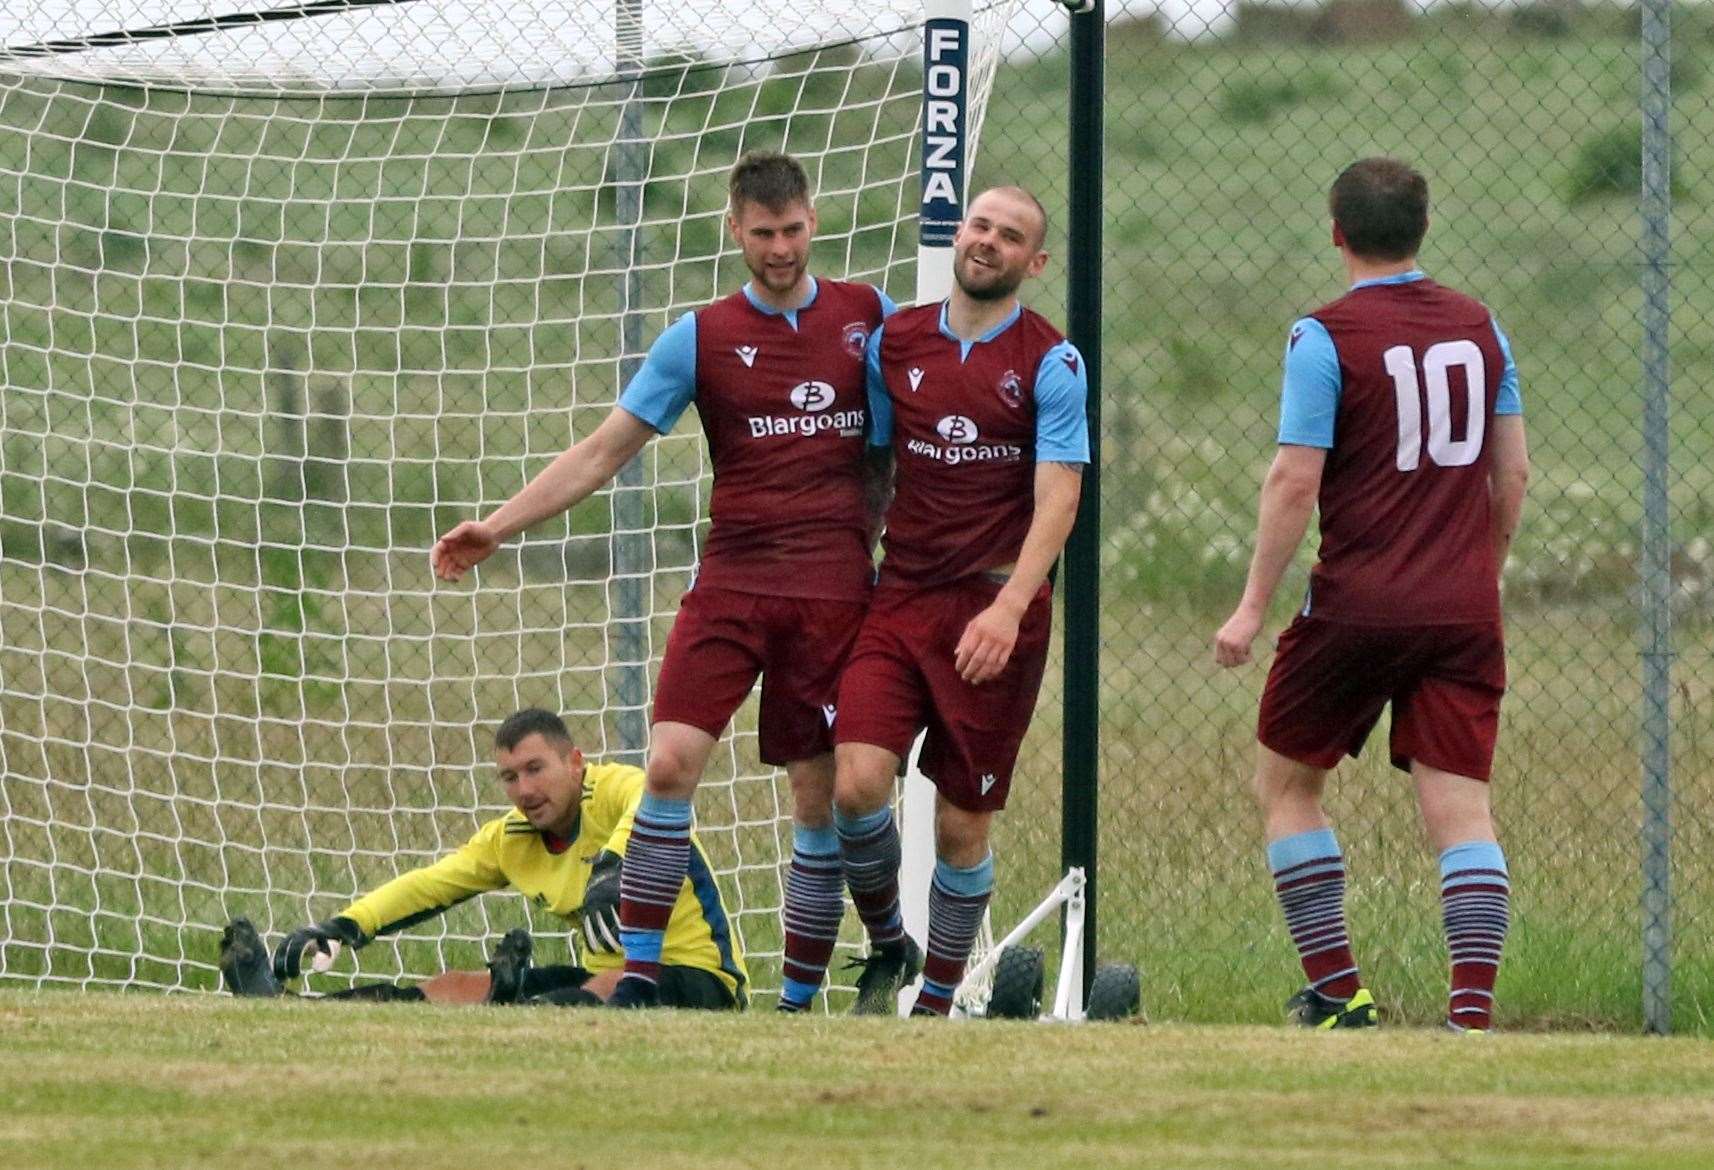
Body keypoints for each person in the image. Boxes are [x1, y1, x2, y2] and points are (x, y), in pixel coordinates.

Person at [430, 152, 895, 1011]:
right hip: (733, 583)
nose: (781, 249)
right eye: (763, 234)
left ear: (814, 221)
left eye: (793, 230)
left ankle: (799, 1002)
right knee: (670, 762)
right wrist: (495, 526)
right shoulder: (701, 335)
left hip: (834, 591)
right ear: (735, 230)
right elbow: (603, 450)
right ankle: (639, 977)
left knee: (816, 794)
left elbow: (922, 435)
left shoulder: (869, 318)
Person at [1214, 157, 1530, 1033]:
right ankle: (1469, 1017)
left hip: (1357, 602)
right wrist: (1484, 569)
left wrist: (1250, 607)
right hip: (1465, 610)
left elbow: (1292, 480)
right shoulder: (1483, 327)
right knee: (1462, 810)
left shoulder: (1324, 337)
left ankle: (1340, 997)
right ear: (1423, 228)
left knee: (1286, 787)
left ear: (1336, 232)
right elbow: (1515, 471)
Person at [829, 185, 1089, 1016]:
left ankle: (938, 1001)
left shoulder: (1052, 362)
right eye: (980, 226)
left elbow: (1059, 497)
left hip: (991, 613)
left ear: (1033, 263)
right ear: (959, 234)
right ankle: (886, 945)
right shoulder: (894, 339)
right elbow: (872, 467)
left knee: (959, 827)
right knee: (857, 784)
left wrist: (1011, 606)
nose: (988, 243)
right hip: (900, 598)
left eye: (1010, 236)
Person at [217, 708, 746, 1010]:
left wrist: (612, 866)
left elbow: (653, 803)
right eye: (511, 777)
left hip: (698, 978)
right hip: (606, 979)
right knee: (455, 987)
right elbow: (432, 885)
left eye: (537, 769)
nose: (524, 788)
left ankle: (518, 1010)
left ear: (575, 762)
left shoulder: (615, 790)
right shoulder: (510, 838)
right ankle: (290, 1008)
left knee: (591, 991)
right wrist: (345, 925)